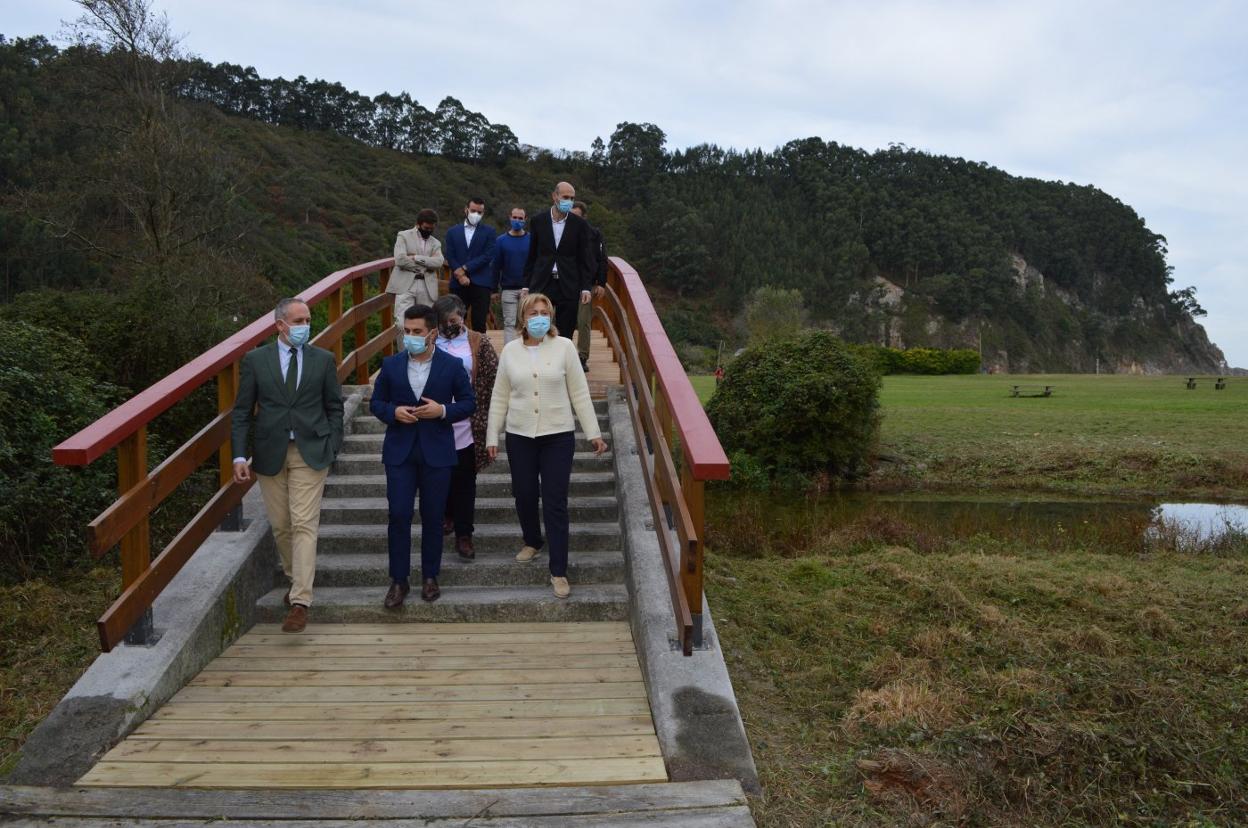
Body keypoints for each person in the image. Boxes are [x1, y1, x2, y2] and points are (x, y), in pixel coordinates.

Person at [231, 298, 344, 633]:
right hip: (270, 452)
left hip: (311, 451)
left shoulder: (323, 359)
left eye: (307, 320)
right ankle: (297, 579)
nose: (305, 326)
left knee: (304, 523)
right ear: (280, 325)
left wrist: (332, 445)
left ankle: (300, 601)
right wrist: (239, 456)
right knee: (282, 526)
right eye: (298, 321)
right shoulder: (255, 360)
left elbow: (334, 407)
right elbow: (242, 412)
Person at [487, 293, 607, 598]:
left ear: (551, 316)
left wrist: (593, 433)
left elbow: (579, 393)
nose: (539, 317)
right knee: (524, 494)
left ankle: (559, 570)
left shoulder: (564, 347)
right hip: (519, 435)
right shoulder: (510, 351)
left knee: (555, 501)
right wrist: (492, 436)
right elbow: (500, 396)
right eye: (533, 313)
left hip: (558, 436)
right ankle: (532, 540)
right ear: (523, 318)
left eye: (544, 312)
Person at [370, 305, 475, 606]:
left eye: (417, 332)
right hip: (399, 453)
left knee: (433, 516)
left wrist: (442, 411)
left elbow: (468, 403)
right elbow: (376, 403)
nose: (411, 337)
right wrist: (393, 412)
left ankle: (430, 576)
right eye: (407, 331)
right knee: (399, 515)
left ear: (432, 333)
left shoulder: (452, 365)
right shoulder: (391, 364)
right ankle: (398, 581)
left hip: (437, 452)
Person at [433, 294, 498, 559]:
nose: (451, 325)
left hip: (468, 420)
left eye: (455, 319)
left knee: (465, 478)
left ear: (463, 316)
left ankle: (464, 533)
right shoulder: (429, 341)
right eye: (445, 321)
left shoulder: (478, 342)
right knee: (440, 475)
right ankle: (446, 515)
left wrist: (488, 414)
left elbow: (493, 376)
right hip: (435, 420)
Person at [522, 181, 596, 343]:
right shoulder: (538, 221)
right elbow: (532, 255)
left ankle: (562, 359)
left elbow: (584, 258)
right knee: (538, 327)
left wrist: (586, 287)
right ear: (554, 196)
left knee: (566, 332)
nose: (569, 201)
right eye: (565, 197)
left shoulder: (580, 224)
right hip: (542, 282)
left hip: (568, 283)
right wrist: (526, 284)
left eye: (572, 198)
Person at [443, 197, 497, 334]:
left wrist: (465, 268)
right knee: (455, 321)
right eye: (473, 211)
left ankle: (480, 347)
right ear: (466, 209)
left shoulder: (490, 231)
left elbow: (488, 255)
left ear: (483, 213)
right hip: (458, 283)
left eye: (479, 212)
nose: (476, 214)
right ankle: (456, 347)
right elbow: (450, 255)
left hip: (482, 283)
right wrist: (459, 275)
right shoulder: (452, 232)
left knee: (479, 322)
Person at [570, 201, 607, 373]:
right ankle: (562, 355)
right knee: (563, 319)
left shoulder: (594, 234)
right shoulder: (562, 233)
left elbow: (602, 259)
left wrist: (601, 283)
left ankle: (582, 356)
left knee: (583, 321)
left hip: (587, 283)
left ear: (584, 217)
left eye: (577, 216)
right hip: (566, 282)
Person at [387, 209, 443, 322]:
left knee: (426, 322)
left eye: (431, 229)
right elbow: (400, 260)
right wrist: (426, 265)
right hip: (406, 284)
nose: (429, 231)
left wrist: (416, 257)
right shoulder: (403, 236)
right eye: (426, 228)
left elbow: (439, 262)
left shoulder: (436, 243)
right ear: (418, 224)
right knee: (402, 322)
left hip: (427, 286)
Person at [492, 206, 530, 345]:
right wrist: (494, 289)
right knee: (509, 323)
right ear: (510, 217)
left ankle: (526, 351)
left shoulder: (532, 240)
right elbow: (496, 266)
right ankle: (509, 352)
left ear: (525, 219)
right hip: (508, 289)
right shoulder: (501, 241)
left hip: (527, 289)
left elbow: (536, 264)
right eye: (515, 217)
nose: (517, 220)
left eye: (520, 218)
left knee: (527, 322)